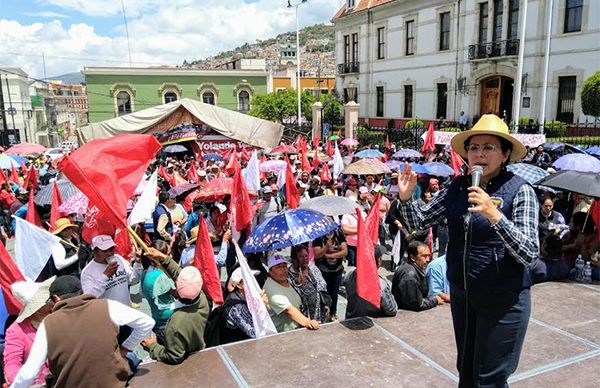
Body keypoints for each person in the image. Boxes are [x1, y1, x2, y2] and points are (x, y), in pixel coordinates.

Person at [396, 114, 539, 387]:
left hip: (503, 301)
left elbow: (529, 252)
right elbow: (418, 223)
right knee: (467, 371)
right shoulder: (458, 187)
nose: (479, 154)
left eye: (488, 148)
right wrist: (405, 199)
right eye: (474, 148)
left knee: (490, 379)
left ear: (505, 154)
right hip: (463, 296)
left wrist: (495, 215)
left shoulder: (520, 191)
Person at [10, 275, 154, 388]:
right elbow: (147, 323)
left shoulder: (48, 324)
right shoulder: (107, 306)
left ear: (56, 298)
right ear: (82, 291)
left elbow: (29, 373)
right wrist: (125, 348)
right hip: (115, 384)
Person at [141, 248, 210, 365]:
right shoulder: (203, 300)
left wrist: (152, 346)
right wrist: (163, 257)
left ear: (176, 289)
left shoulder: (176, 324)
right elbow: (178, 273)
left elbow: (174, 356)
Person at [3, 277, 55, 386]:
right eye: (47, 300)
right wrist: (27, 383)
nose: (52, 302)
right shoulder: (16, 331)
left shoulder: (58, 318)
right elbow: (11, 365)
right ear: (37, 309)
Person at [80, 235, 143, 307]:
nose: (109, 253)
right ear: (95, 251)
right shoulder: (87, 272)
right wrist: (105, 276)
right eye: (105, 250)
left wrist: (138, 263)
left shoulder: (118, 258)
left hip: (126, 310)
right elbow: (89, 297)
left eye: (111, 249)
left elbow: (132, 280)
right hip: (107, 315)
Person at [262, 254, 320, 333]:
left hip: (296, 329)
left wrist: (301, 284)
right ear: (270, 272)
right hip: (282, 334)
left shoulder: (287, 280)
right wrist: (308, 322)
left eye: (284, 266)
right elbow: (288, 310)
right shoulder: (270, 288)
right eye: (278, 267)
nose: (283, 269)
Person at [344, 245, 397, 319]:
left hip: (350, 319)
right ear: (379, 261)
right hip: (371, 324)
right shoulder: (381, 284)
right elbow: (392, 310)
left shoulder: (349, 274)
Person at [392, 241, 447, 311]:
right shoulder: (409, 276)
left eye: (429, 256)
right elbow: (417, 304)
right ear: (412, 257)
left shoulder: (413, 268)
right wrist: (435, 300)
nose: (428, 260)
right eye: (424, 256)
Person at [140, 240, 175, 342]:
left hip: (157, 319)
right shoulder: (162, 276)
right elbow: (181, 294)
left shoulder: (145, 273)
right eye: (168, 254)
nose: (171, 256)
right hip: (169, 323)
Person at [288, 245, 330, 323]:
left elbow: (322, 285)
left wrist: (326, 303)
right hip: (301, 316)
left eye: (306, 256)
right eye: (301, 257)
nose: (305, 259)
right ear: (294, 259)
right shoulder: (288, 274)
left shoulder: (312, 268)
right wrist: (298, 284)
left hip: (318, 311)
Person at [313, 228, 347, 321]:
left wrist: (330, 255)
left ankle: (333, 313)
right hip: (323, 270)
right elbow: (317, 254)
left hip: (337, 270)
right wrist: (326, 247)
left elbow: (345, 251)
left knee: (334, 293)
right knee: (323, 293)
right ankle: (323, 313)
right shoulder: (318, 236)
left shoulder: (338, 234)